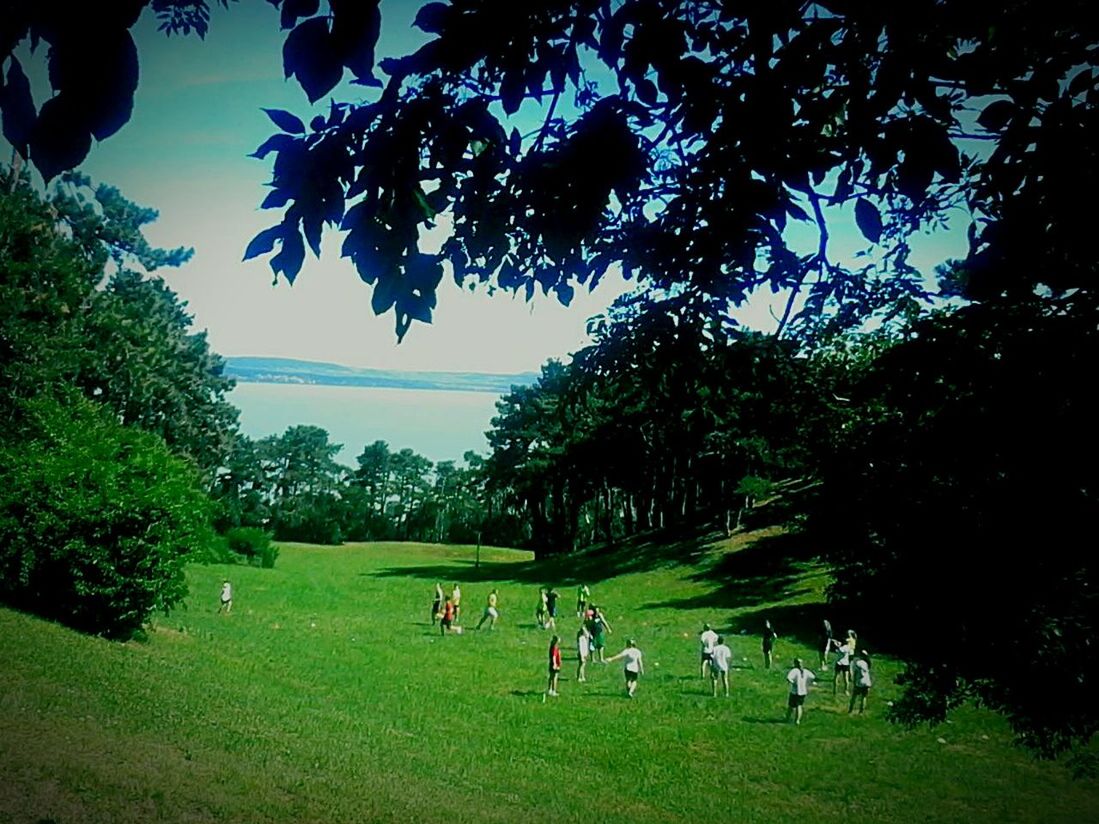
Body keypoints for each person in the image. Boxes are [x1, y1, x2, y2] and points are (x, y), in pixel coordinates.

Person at [786, 658, 816, 725]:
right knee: (799, 705)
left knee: (791, 706)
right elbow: (813, 677)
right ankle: (797, 720)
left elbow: (788, 678)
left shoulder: (794, 670)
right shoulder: (806, 671)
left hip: (795, 691)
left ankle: (788, 718)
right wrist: (808, 683)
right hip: (803, 691)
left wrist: (793, 683)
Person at [832, 630, 857, 696]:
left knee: (836, 676)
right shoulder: (848, 647)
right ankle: (846, 690)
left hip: (839, 663)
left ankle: (835, 690)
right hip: (846, 664)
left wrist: (837, 645)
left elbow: (839, 650)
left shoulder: (844, 648)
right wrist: (838, 644)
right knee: (845, 678)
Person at [849, 650, 872, 714]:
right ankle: (861, 712)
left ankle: (850, 710)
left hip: (859, 682)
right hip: (867, 682)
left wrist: (854, 682)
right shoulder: (867, 663)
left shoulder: (858, 663)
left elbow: (856, 673)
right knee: (864, 697)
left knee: (854, 697)